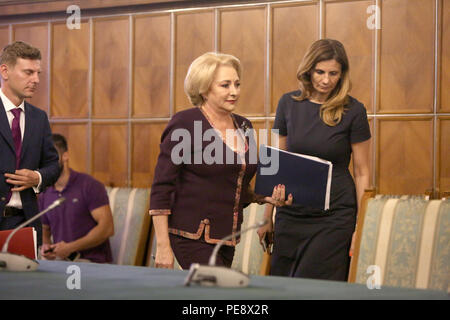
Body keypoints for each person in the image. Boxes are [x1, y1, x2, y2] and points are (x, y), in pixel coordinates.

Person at [149, 52, 292, 270]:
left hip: (227, 237)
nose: (234, 91)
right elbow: (161, 187)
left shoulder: (244, 126)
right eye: (225, 85)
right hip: (191, 236)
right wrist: (162, 246)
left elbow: (235, 187)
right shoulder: (184, 123)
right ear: (204, 88)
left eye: (237, 84)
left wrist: (267, 198)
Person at [257, 39, 371, 281]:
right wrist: (267, 217)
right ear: (308, 70)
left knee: (318, 290)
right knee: (284, 288)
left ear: (342, 74)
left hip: (334, 217)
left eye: (333, 73)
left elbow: (362, 172)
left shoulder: (354, 111)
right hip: (291, 212)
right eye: (320, 72)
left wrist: (360, 227)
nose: (326, 80)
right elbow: (278, 163)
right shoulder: (287, 103)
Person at [0, 41, 60, 245]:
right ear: (5, 71)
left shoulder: (39, 118)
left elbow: (53, 166)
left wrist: (37, 177)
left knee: (26, 279)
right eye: (28, 72)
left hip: (26, 224)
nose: (35, 80)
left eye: (38, 73)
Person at [39, 134, 114, 263]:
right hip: (61, 263)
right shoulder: (44, 192)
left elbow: (107, 228)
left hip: (92, 263)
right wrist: (46, 247)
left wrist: (70, 248)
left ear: (65, 156)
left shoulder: (89, 186)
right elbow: (45, 230)